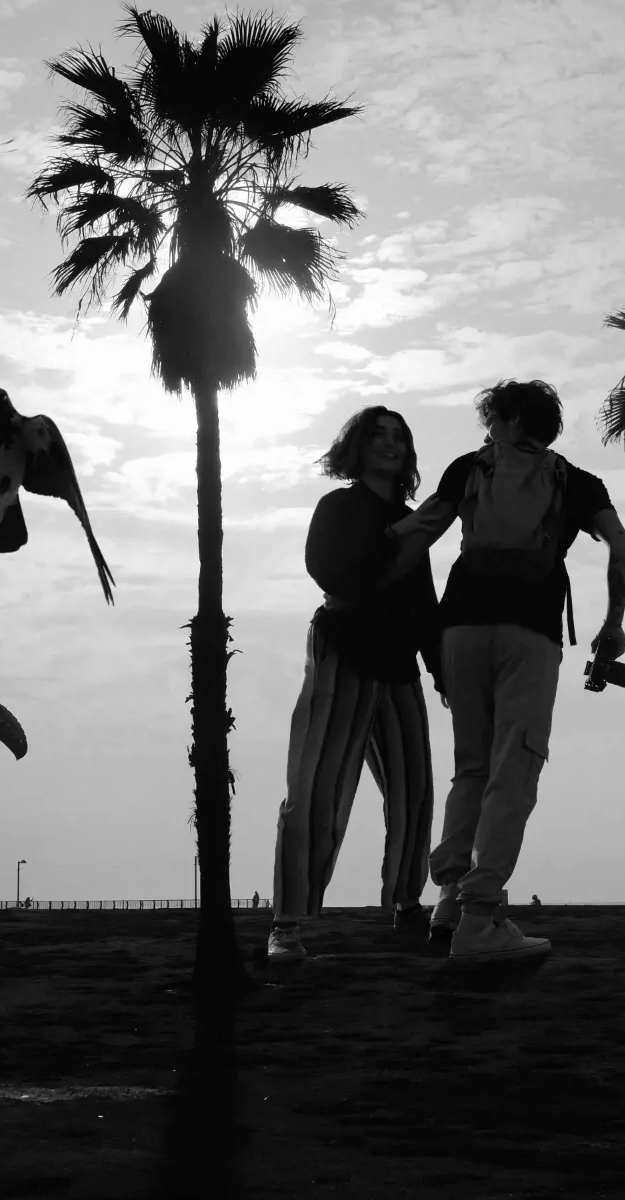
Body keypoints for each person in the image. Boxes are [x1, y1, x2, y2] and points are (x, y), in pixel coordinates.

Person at [385, 380, 625, 963]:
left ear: (509, 418)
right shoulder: (578, 481)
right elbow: (619, 547)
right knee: (515, 766)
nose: (487, 429)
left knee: (470, 769)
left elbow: (421, 530)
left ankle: (448, 900)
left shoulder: (471, 468)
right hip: (530, 633)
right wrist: (613, 623)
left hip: (461, 629)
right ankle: (481, 917)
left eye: (491, 418)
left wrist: (369, 554)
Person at [267, 406, 442, 963]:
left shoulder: (414, 518)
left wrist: (440, 669)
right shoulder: (339, 506)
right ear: (358, 447)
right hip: (344, 649)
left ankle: (407, 905)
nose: (390, 445)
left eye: (399, 437)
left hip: (398, 662)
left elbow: (424, 603)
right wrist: (397, 537)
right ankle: (286, 924)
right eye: (379, 436)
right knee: (316, 789)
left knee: (414, 792)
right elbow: (333, 572)